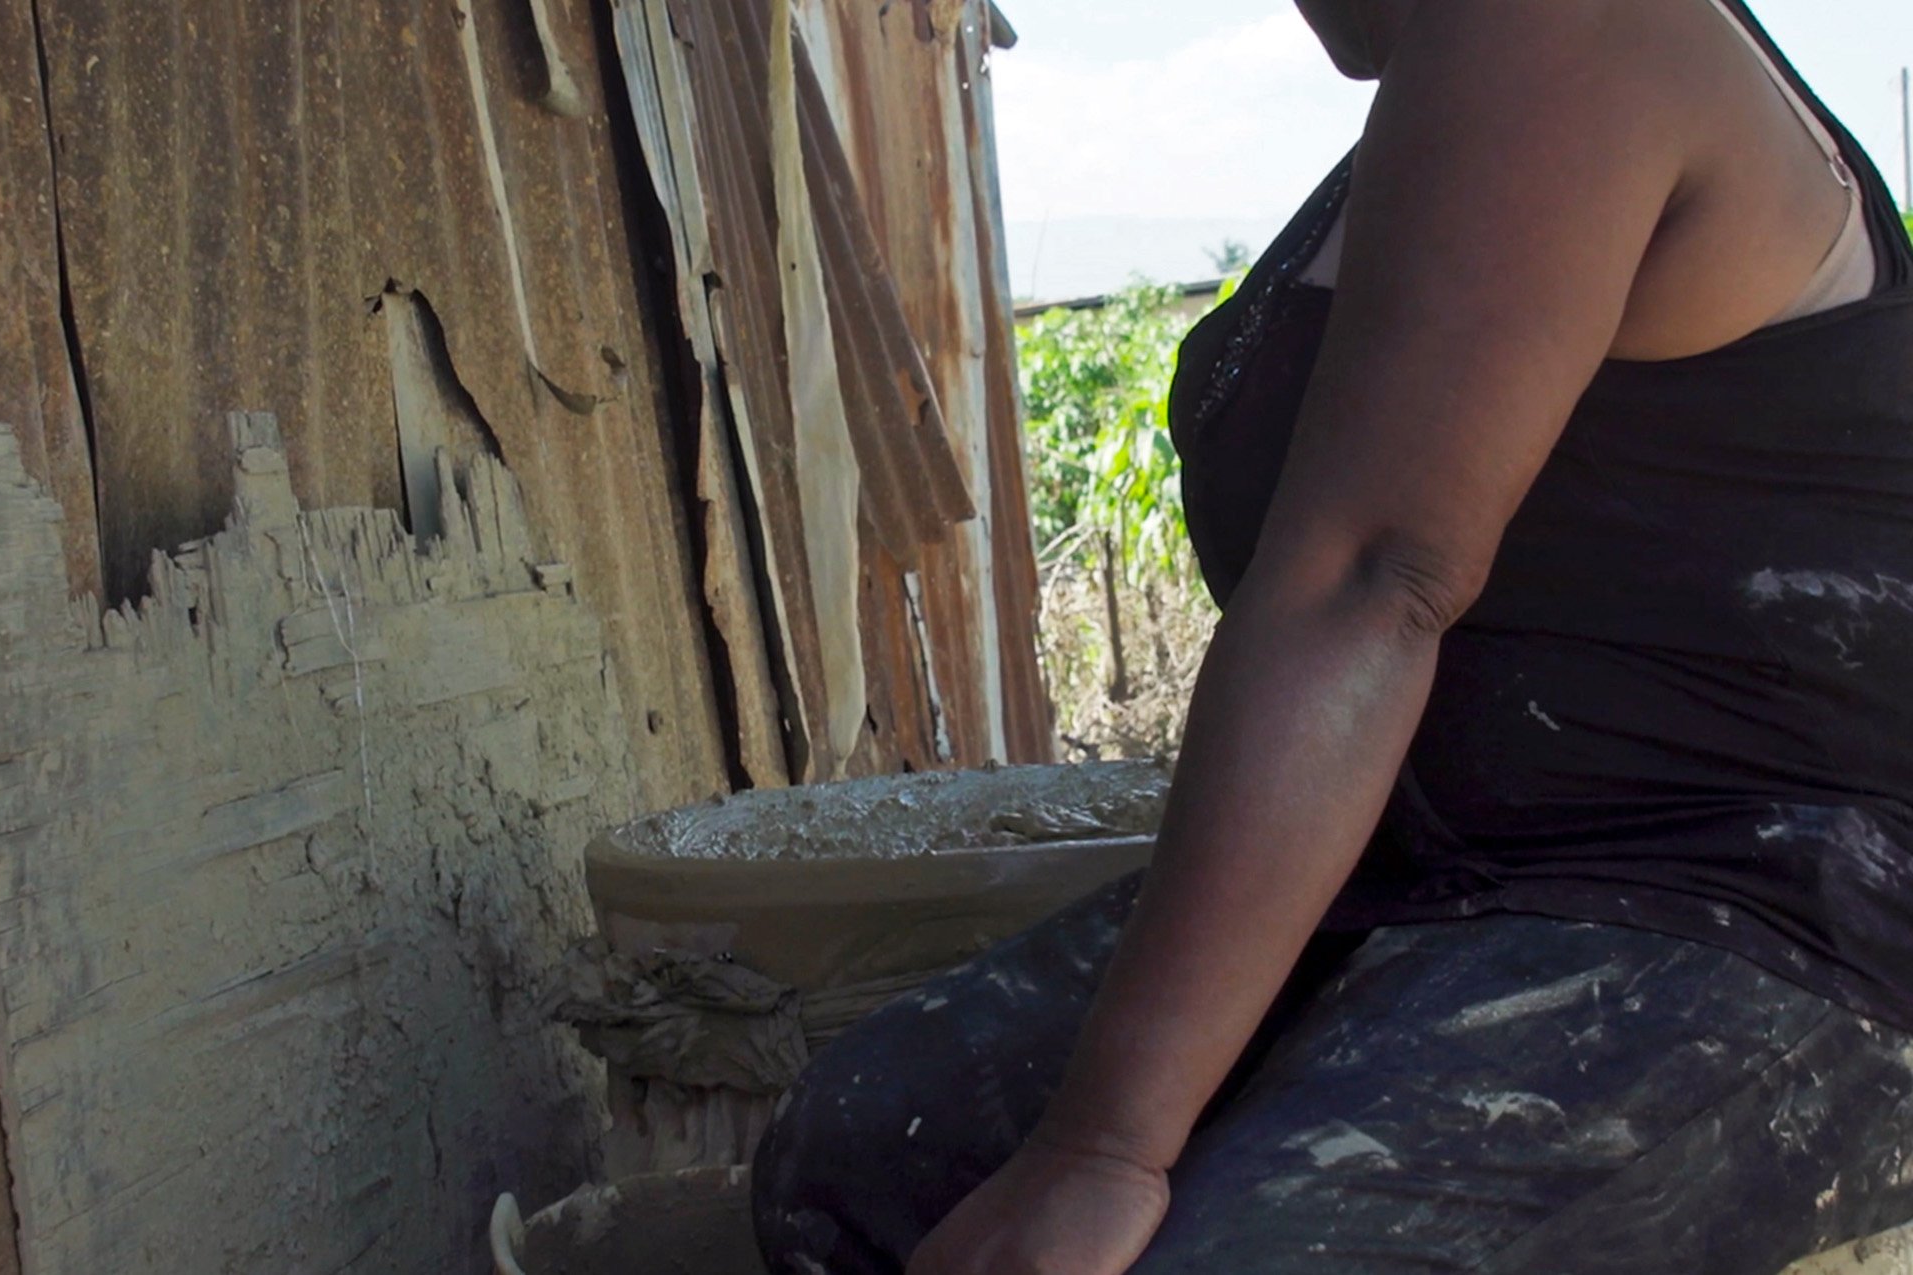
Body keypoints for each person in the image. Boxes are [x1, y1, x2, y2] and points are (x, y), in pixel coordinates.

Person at [752, 0, 1913, 1270]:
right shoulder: (1449, 89)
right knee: (862, 1151)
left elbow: (1373, 579)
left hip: (1757, 903)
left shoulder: (1560, 26)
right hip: (1445, 874)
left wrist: (1103, 1151)